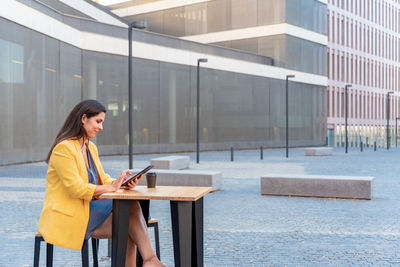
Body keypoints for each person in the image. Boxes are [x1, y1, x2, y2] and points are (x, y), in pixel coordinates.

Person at [38, 99, 164, 267]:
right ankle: (151, 261)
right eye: (98, 121)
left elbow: (102, 179)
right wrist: (112, 187)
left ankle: (150, 261)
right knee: (129, 216)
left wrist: (123, 182)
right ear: (84, 118)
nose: (100, 127)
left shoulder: (90, 147)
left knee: (128, 217)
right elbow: (76, 189)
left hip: (89, 210)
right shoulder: (64, 149)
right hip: (70, 215)